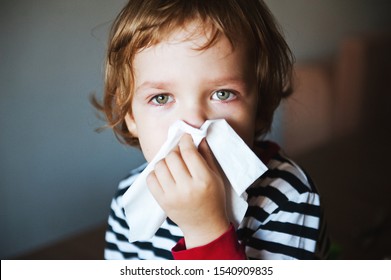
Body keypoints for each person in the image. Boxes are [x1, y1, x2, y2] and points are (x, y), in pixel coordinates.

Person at [93, 0, 329, 260]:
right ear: (131, 117)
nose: (194, 122)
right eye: (161, 98)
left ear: (259, 108)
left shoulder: (289, 197)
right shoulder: (130, 200)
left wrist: (205, 230)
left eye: (222, 93)